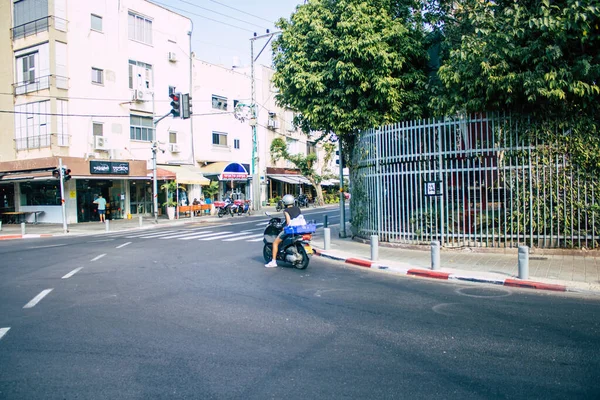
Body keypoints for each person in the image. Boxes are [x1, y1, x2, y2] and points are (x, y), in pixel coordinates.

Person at [265, 194, 302, 268]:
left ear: (284, 202)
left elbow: (288, 222)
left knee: (275, 243)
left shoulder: (286, 211)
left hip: (291, 229)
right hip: (300, 228)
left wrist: (284, 227)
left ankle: (273, 262)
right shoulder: (297, 208)